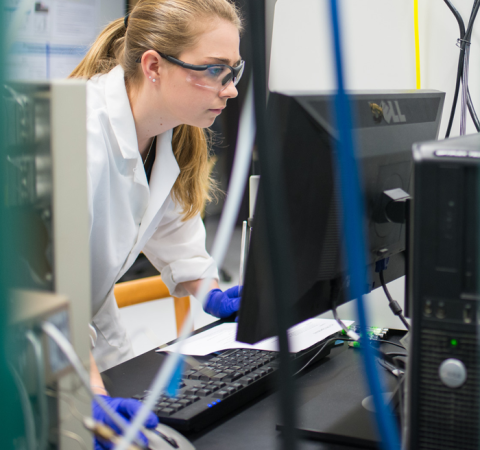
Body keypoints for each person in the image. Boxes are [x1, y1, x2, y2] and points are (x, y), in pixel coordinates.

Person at [68, 0, 245, 447]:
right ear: (153, 66)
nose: (230, 90)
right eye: (214, 70)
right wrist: (81, 394)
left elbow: (169, 225)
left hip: (88, 341)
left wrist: (211, 292)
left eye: (234, 71)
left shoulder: (165, 133)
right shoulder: (77, 135)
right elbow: (38, 291)